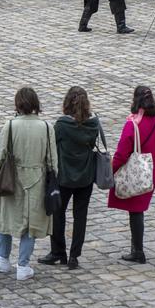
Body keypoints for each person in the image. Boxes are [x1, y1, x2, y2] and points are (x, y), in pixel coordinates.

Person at [0, 87, 57, 281]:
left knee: (6, 219)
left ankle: (3, 258)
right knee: (30, 224)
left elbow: (0, 156)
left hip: (12, 179)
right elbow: (52, 160)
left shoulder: (10, 125)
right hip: (37, 180)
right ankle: (23, 265)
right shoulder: (46, 127)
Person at [38, 86, 100, 270]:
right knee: (80, 215)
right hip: (86, 176)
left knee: (58, 213)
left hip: (64, 177)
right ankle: (74, 255)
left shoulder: (62, 126)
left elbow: (52, 147)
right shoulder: (94, 124)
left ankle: (58, 251)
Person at [108, 86, 155, 264]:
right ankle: (136, 248)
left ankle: (138, 250)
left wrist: (110, 172)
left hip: (135, 173)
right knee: (138, 210)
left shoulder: (132, 125)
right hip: (150, 172)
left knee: (136, 211)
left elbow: (121, 155)